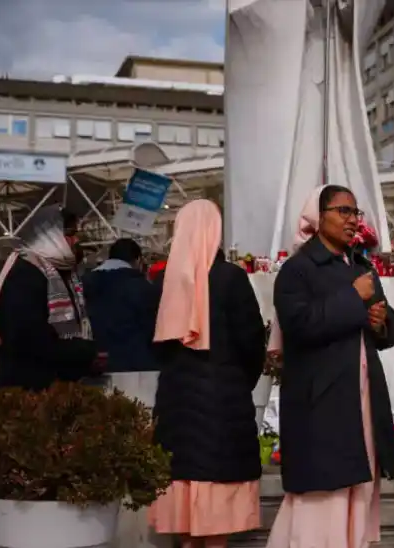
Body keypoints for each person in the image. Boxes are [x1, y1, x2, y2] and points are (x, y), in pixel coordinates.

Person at [266, 185, 394, 548]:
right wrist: (353, 298)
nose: (352, 220)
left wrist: (380, 323)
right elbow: (300, 325)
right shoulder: (297, 270)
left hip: (362, 396)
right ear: (319, 216)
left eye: (355, 213)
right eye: (343, 211)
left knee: (358, 488)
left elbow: (390, 329)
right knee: (324, 497)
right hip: (321, 400)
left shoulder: (361, 266)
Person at [147, 200, 267, 548]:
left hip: (176, 404)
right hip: (223, 406)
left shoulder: (164, 281)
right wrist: (239, 382)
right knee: (217, 520)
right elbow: (251, 342)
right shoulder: (230, 278)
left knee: (184, 500)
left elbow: (155, 345)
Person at [0, 206, 101, 392]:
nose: (76, 241)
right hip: (27, 391)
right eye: (70, 234)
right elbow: (28, 339)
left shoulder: (63, 274)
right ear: (47, 235)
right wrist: (85, 352)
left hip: (56, 388)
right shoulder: (26, 273)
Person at [83, 238, 161, 372]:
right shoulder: (142, 287)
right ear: (138, 260)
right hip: (137, 363)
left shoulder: (84, 283)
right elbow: (153, 328)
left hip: (96, 363)